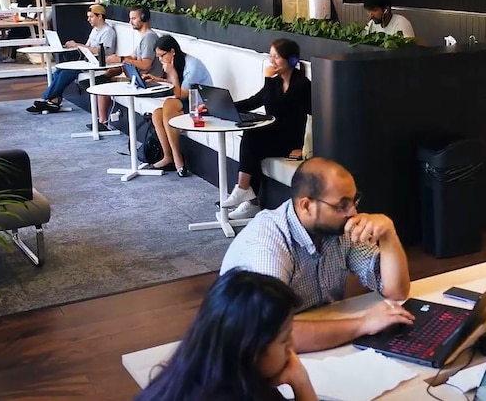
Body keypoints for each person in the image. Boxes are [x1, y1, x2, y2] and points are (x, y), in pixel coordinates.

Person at [220, 157, 414, 353]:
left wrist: (389, 234)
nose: (353, 212)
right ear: (306, 206)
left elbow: (396, 291)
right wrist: (362, 324)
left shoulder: (339, 230)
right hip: (248, 356)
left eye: (354, 201)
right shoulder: (268, 240)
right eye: (342, 206)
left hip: (315, 340)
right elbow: (270, 333)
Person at [135, 268, 318, 401]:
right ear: (250, 349)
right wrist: (301, 383)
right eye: (284, 340)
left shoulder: (185, 374)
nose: (291, 346)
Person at [219, 39, 312, 220]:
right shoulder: (275, 82)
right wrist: (225, 107)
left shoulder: (302, 85)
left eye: (276, 57)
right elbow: (253, 101)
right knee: (252, 135)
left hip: (292, 140)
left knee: (253, 136)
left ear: (291, 60)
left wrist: (268, 80)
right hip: (274, 135)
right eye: (271, 56)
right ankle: (247, 196)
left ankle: (245, 194)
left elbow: (278, 109)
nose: (272, 61)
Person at [26, 4, 116, 113]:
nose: (88, 20)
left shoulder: (108, 31)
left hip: (99, 64)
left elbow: (100, 51)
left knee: (66, 73)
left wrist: (77, 45)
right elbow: (88, 46)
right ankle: (54, 102)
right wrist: (76, 46)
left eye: (91, 17)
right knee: (58, 72)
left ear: (100, 16)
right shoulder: (95, 30)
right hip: (88, 60)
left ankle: (45, 99)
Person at [147, 34, 213, 176]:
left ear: (172, 51)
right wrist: (157, 79)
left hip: (201, 106)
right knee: (157, 114)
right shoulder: (177, 62)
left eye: (162, 55)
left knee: (169, 103)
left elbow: (180, 94)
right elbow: (176, 88)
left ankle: (177, 158)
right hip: (188, 103)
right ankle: (167, 156)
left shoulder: (192, 65)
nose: (160, 60)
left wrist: (173, 74)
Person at [90, 5, 163, 131]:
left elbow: (145, 64)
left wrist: (122, 60)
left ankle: (103, 121)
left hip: (146, 81)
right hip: (139, 78)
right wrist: (118, 58)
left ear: (144, 18)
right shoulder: (144, 37)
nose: (130, 22)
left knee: (103, 84)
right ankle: (101, 120)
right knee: (105, 78)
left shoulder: (149, 38)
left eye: (133, 18)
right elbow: (133, 56)